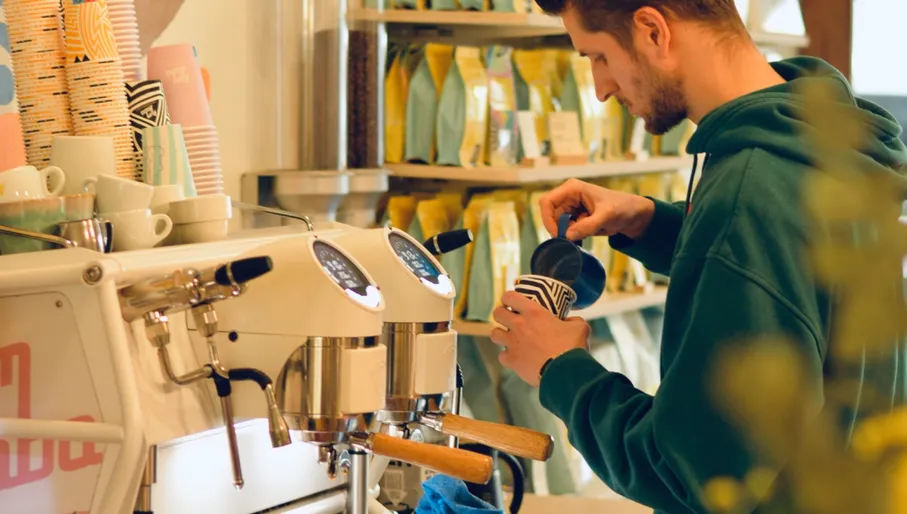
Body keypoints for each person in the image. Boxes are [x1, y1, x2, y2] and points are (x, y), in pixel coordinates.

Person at [489, 1, 907, 512]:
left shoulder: (748, 193)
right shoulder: (818, 146)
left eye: (597, 56)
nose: (600, 89)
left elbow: (693, 478)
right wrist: (653, 222)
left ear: (652, 30)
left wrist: (560, 368)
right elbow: (797, 280)